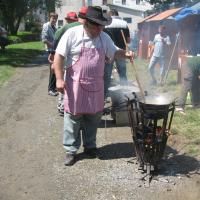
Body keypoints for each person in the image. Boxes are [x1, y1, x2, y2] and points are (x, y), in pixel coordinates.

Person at [53, 6, 134, 166]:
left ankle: (90, 146)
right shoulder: (72, 34)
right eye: (97, 25)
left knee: (93, 117)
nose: (100, 29)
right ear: (87, 23)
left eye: (102, 25)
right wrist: (59, 79)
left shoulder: (103, 37)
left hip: (96, 85)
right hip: (75, 85)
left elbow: (114, 52)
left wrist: (125, 54)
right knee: (73, 118)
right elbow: (59, 56)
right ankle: (71, 150)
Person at [104, 8, 130, 98]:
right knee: (122, 71)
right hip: (121, 52)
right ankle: (124, 90)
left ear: (110, 15)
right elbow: (128, 40)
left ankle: (106, 92)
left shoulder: (106, 24)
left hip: (109, 52)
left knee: (107, 72)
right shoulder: (124, 23)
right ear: (118, 15)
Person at [42, 12, 58, 96]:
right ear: (49, 18)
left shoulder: (54, 27)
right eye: (53, 18)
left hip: (54, 49)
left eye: (56, 18)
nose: (54, 20)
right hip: (50, 50)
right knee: (53, 68)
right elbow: (44, 39)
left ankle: (54, 86)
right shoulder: (46, 26)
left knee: (56, 68)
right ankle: (51, 89)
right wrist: (53, 45)